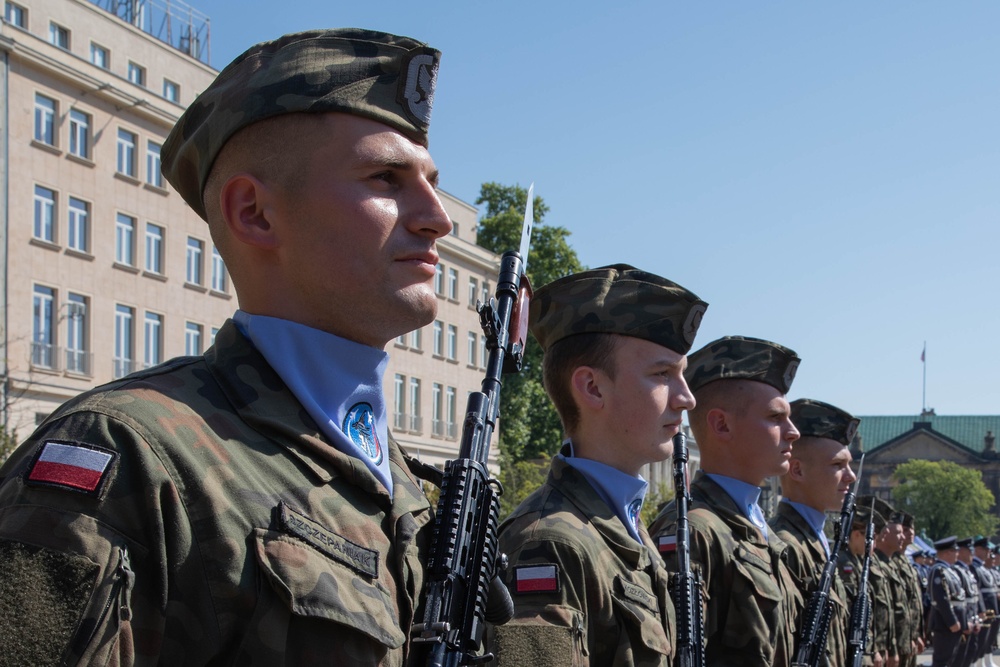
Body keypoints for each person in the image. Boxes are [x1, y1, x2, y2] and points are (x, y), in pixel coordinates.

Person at [0, 28, 452, 665]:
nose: (437, 216)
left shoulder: (395, 477)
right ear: (255, 213)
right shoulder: (130, 453)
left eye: (432, 181)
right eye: (386, 177)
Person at [489, 264, 708, 666]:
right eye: (663, 374)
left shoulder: (625, 527)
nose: (686, 398)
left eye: (683, 375)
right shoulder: (550, 543)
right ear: (592, 387)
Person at [648, 335, 803, 667]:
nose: (793, 432)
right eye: (775, 418)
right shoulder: (692, 531)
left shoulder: (759, 529)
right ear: (721, 424)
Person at [769, 398, 860, 667]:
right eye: (837, 465)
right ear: (797, 469)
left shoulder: (814, 540)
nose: (851, 476)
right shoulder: (785, 545)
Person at [837, 506, 886, 667]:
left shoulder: (855, 560)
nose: (874, 545)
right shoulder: (845, 562)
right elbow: (851, 613)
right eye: (871, 539)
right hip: (850, 646)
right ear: (857, 535)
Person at [929, 536, 970, 667]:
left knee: (952, 659)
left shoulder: (948, 570)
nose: (958, 554)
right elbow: (941, 599)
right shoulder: (938, 570)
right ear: (947, 552)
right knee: (942, 661)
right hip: (945, 623)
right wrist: (952, 621)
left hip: (954, 622)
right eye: (955, 551)